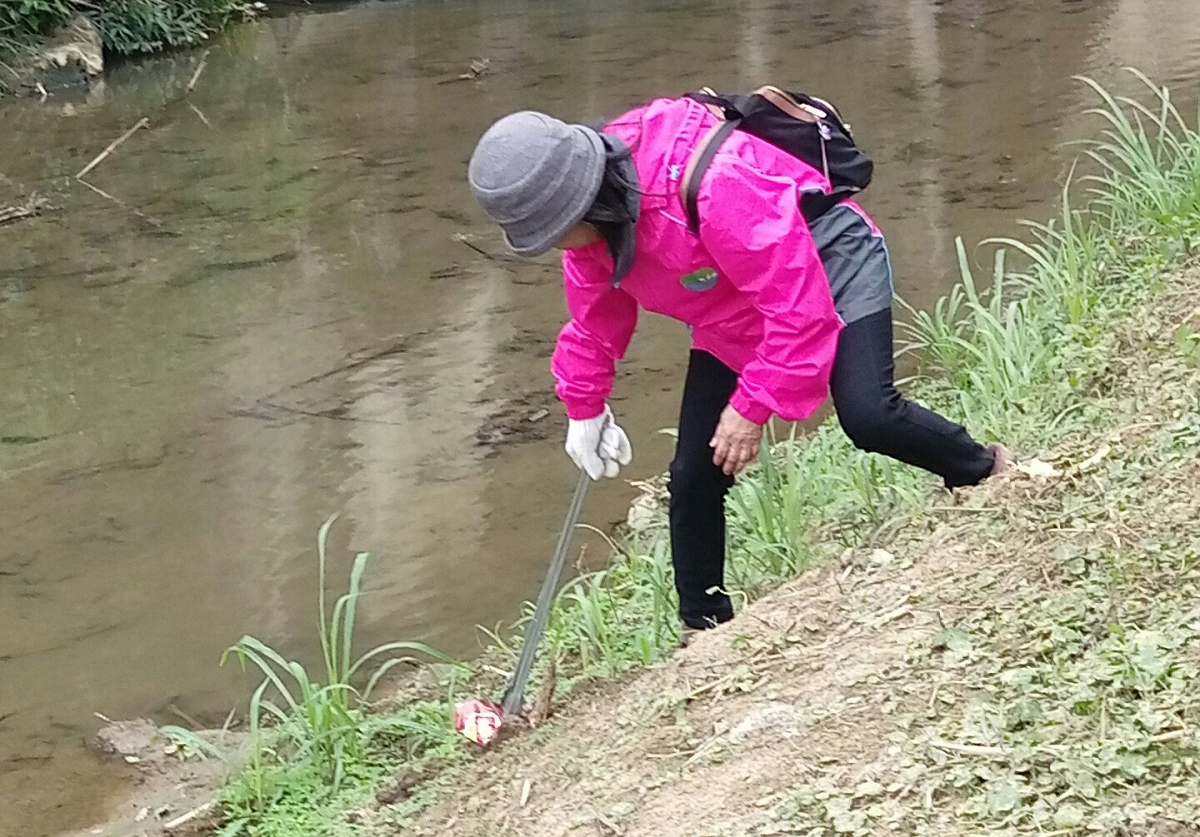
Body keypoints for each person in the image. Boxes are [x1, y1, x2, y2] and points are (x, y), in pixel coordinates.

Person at [467, 95, 1010, 637]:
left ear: (584, 201)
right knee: (695, 473)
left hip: (826, 261)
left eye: (554, 231)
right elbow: (593, 320)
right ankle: (704, 629)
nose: (555, 245)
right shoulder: (591, 232)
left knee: (870, 416)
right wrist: (583, 410)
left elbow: (796, 305)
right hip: (730, 303)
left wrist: (751, 407)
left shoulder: (713, 184)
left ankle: (987, 473)